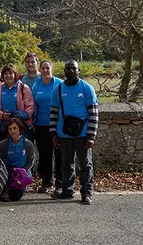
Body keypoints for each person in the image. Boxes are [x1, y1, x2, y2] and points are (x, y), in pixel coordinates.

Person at [50, 60, 98, 205]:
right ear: (64, 71)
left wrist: (91, 136)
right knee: (66, 164)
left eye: (73, 69)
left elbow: (94, 114)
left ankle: (86, 193)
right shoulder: (58, 89)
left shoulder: (87, 88)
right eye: (68, 69)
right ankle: (68, 190)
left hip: (83, 135)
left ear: (78, 70)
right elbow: (53, 113)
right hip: (63, 134)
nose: (70, 71)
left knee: (85, 165)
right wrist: (53, 134)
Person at [32, 60, 64, 193]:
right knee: (45, 155)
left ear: (52, 69)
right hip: (41, 125)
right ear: (40, 70)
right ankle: (47, 183)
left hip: (57, 125)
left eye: (47, 68)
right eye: (43, 68)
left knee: (59, 155)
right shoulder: (36, 85)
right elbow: (34, 105)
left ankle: (60, 184)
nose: (45, 70)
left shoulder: (60, 84)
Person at [0, 64, 34, 142]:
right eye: (6, 74)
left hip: (21, 128)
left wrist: (18, 116)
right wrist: (2, 115)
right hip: (3, 128)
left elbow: (30, 107)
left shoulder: (24, 88)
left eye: (11, 73)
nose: (8, 76)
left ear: (15, 74)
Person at [0, 117, 35, 202]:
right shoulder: (3, 144)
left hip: (22, 174)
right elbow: (0, 161)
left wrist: (22, 172)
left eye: (15, 128)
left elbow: (31, 162)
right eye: (10, 129)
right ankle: (4, 189)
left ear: (20, 129)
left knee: (15, 198)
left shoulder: (28, 144)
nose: (12, 131)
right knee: (5, 162)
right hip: (8, 173)